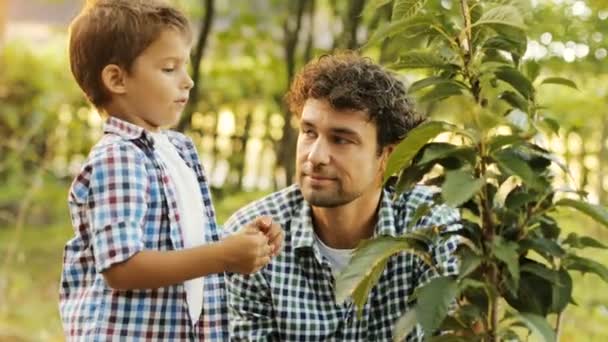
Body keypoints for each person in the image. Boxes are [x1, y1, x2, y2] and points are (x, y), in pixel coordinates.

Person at [59, 1, 283, 340]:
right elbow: (122, 268)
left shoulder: (177, 150)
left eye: (185, 66)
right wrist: (222, 256)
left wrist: (238, 243)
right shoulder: (119, 157)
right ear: (117, 79)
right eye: (169, 68)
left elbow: (183, 237)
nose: (188, 81)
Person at [224, 53, 460, 341]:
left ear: (388, 155)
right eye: (309, 132)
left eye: (341, 139)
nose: (315, 156)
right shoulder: (252, 239)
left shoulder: (432, 227)